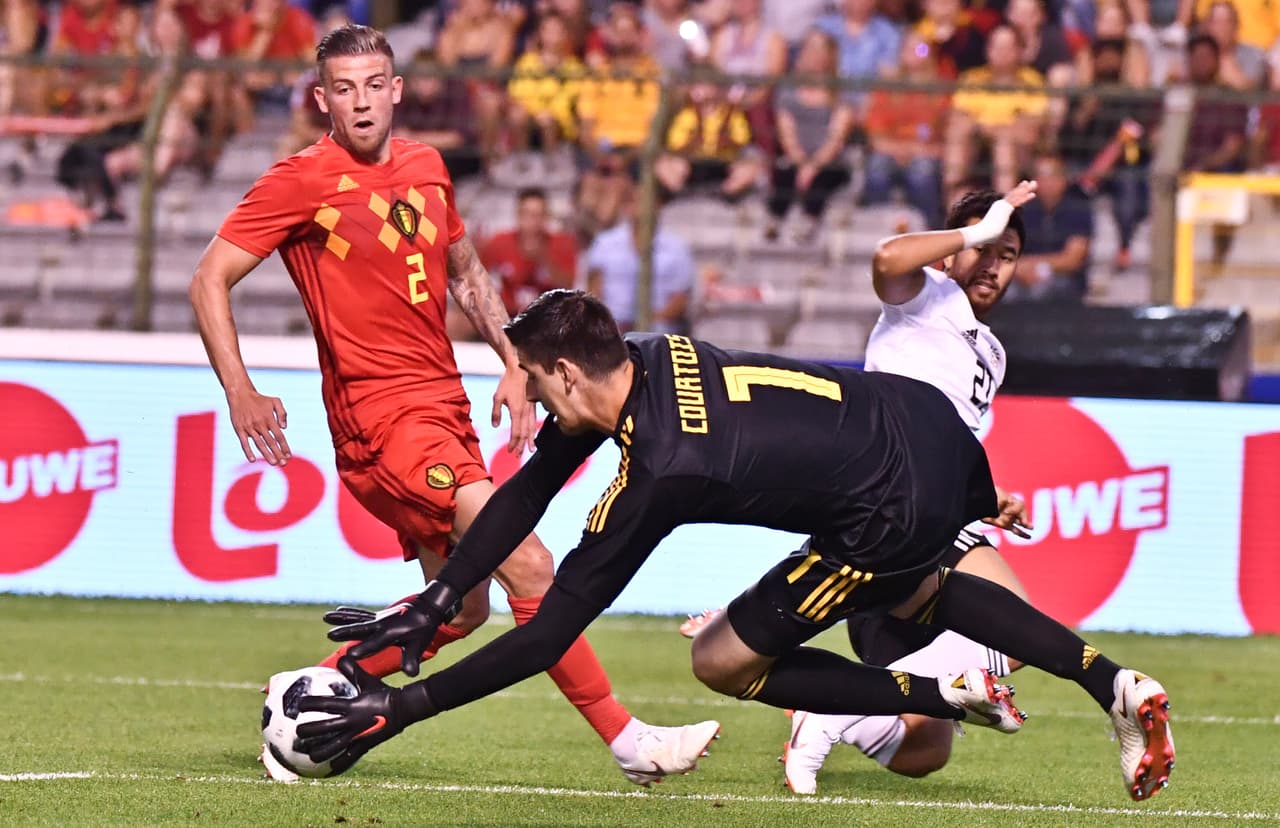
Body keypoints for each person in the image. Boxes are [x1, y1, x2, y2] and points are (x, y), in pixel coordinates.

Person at [290, 288, 1176, 802]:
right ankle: (1111, 681)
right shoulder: (644, 354)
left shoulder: (661, 471)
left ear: (563, 373)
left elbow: (544, 636)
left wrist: (401, 710)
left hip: (888, 504)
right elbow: (528, 487)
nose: (529, 404)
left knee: (723, 660)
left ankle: (936, 690)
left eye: (528, 382)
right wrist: (442, 600)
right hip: (926, 425)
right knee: (919, 592)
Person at [188, 23, 718, 787]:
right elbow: (209, 277)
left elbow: (465, 271)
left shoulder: (428, 166)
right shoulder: (299, 181)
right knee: (530, 563)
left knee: (464, 611)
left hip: (444, 408)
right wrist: (239, 389)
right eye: (345, 89)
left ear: (397, 90)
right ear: (322, 99)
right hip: (381, 422)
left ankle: (312, 693)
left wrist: (512, 361)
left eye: (375, 85)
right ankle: (629, 741)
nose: (362, 102)